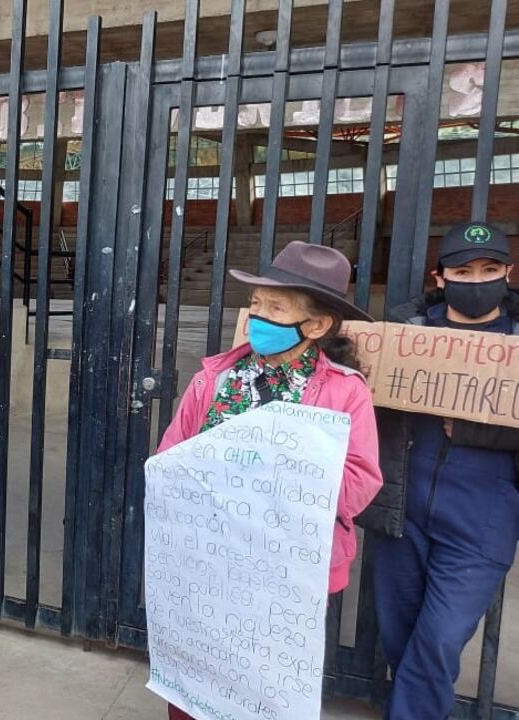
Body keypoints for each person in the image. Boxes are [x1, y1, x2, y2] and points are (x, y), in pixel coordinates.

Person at [155, 241, 382, 720]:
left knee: (265, 689)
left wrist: (277, 474)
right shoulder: (214, 379)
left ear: (317, 325)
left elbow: (360, 484)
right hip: (206, 561)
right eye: (256, 303)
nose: (258, 316)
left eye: (276, 307)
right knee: (194, 685)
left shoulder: (344, 392)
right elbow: (169, 458)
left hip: (288, 574)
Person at [364, 221, 519, 720]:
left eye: (489, 269)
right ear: (440, 277)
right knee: (401, 635)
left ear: (507, 273)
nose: (477, 281)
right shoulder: (404, 337)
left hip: (482, 519)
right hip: (401, 513)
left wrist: (473, 429)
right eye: (463, 271)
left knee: (440, 638)